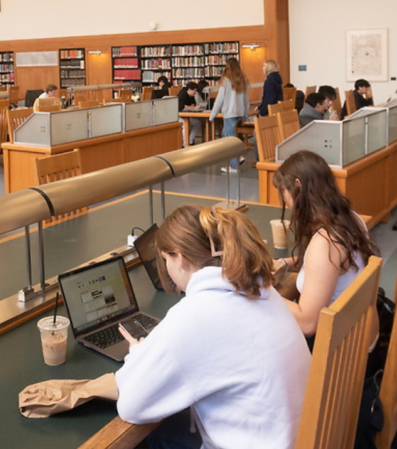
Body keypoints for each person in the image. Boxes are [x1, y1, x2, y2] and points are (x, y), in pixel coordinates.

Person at [113, 205, 310, 449]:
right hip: (297, 437)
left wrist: (138, 355)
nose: (168, 270)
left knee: (149, 437)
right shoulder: (262, 288)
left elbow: (131, 405)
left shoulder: (194, 315)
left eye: (166, 260)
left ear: (180, 258)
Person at [271, 150, 379, 336]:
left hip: (337, 352)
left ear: (298, 186)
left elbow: (307, 325)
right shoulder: (352, 219)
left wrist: (259, 289)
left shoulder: (325, 242)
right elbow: (325, 268)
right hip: (359, 340)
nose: (283, 200)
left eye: (283, 190)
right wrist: (285, 263)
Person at [208, 58, 249, 173]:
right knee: (226, 135)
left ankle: (234, 166)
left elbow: (219, 100)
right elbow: (246, 98)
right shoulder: (242, 80)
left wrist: (212, 115)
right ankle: (238, 157)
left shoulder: (226, 81)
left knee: (230, 140)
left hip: (229, 113)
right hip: (239, 112)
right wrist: (245, 112)